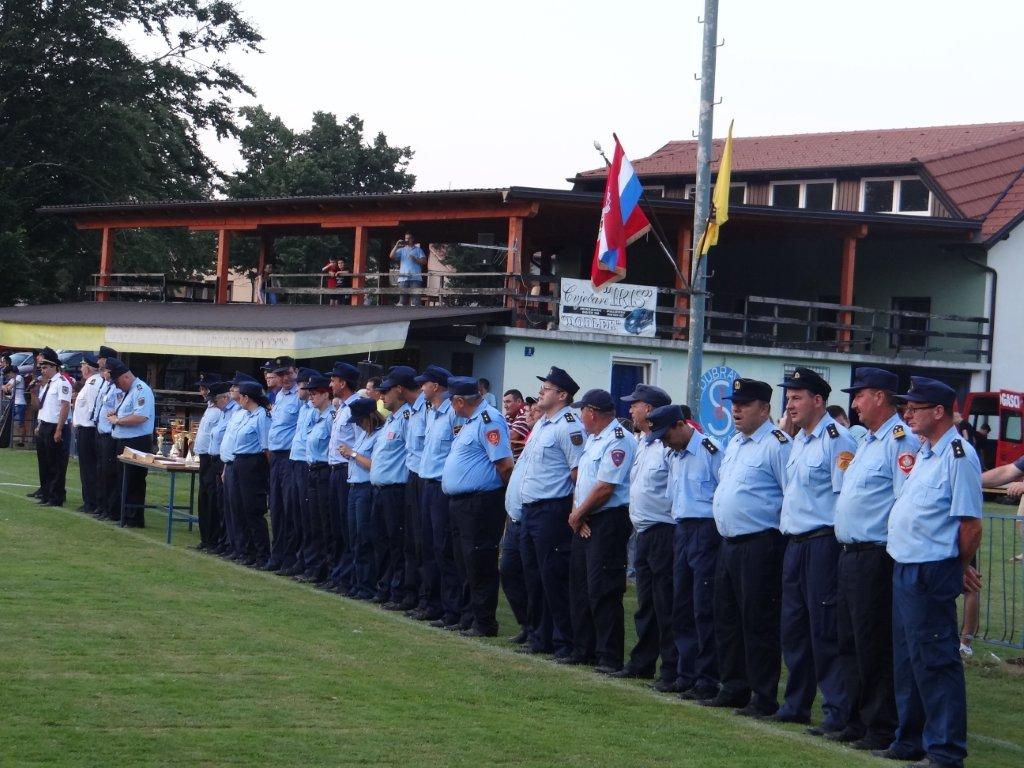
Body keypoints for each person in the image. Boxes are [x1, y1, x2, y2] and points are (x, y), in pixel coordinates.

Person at [881, 376, 982, 768]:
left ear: (938, 411)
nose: (907, 413)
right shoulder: (926, 451)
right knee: (908, 659)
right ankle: (911, 740)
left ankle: (944, 750)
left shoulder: (959, 454)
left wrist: (955, 568)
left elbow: (970, 524)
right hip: (906, 566)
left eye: (915, 407)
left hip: (931, 568)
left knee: (935, 661)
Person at [833, 367, 920, 751]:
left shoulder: (900, 441)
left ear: (881, 397)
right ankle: (855, 719)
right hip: (850, 553)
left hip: (875, 555)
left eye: (860, 395)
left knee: (874, 643)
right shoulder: (866, 441)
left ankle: (880, 725)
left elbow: (904, 501)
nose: (854, 403)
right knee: (848, 640)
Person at [775, 368, 857, 733]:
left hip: (823, 542)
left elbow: (843, 498)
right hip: (795, 543)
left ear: (818, 400)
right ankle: (796, 703)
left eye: (797, 398)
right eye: (788, 398)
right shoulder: (799, 440)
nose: (790, 405)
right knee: (794, 629)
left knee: (824, 630)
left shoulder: (836, 439)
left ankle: (837, 712)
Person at [704, 378, 790, 717]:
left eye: (744, 404)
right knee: (726, 618)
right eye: (734, 403)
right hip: (729, 543)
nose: (735, 409)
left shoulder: (777, 444)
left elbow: (790, 495)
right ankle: (734, 685)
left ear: (765, 409)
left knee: (758, 621)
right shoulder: (736, 443)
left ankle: (763, 694)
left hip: (760, 543)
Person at [506, 366, 585, 659]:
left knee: (553, 577)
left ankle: (564, 641)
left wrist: (577, 511)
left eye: (548, 388)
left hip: (552, 509)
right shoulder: (542, 424)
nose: (541, 391)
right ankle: (540, 636)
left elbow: (578, 474)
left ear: (562, 395)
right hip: (530, 510)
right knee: (533, 576)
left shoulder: (568, 426)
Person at [565, 389, 636, 671]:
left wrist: (577, 515)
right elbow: (583, 483)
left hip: (608, 520)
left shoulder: (619, 441)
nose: (581, 415)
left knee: (603, 589)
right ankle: (584, 648)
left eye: (583, 410)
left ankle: (609, 655)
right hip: (585, 518)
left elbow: (606, 487)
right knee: (580, 586)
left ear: (591, 412)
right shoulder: (594, 440)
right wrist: (577, 515)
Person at [656, 404, 724, 702]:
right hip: (682, 529)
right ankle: (686, 674)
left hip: (706, 530)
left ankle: (707, 678)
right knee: (681, 604)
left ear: (682, 425)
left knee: (704, 606)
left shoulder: (711, 451)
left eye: (667, 433)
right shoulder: (674, 455)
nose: (663, 440)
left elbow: (724, 492)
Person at [612, 383, 678, 689]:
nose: (630, 409)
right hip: (644, 533)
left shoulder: (667, 445)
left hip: (665, 531)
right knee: (646, 603)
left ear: (649, 409)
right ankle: (643, 662)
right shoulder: (644, 443)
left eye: (635, 404)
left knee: (665, 604)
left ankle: (671, 669)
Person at [441, 376, 515, 637]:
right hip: (462, 503)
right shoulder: (470, 422)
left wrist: (507, 498)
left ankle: (484, 622)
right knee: (463, 561)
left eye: (451, 400)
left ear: (460, 401)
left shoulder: (489, 420)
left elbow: (505, 465)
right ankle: (468, 615)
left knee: (479, 561)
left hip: (480, 503)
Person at [414, 365, 464, 625]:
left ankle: (451, 609)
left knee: (444, 549)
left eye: (425, 384)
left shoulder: (454, 414)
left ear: (436, 386)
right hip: (426, 484)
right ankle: (432, 603)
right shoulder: (431, 413)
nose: (421, 388)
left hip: (442, 486)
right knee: (428, 546)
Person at [370, 366, 418, 606]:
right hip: (380, 489)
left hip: (396, 490)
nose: (381, 396)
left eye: (385, 392)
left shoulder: (407, 418)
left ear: (399, 391)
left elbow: (411, 454)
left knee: (396, 544)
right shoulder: (391, 420)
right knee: (381, 542)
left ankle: (397, 589)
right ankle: (385, 586)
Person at [338, 397, 385, 599]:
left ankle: (367, 585)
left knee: (364, 537)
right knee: (354, 537)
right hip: (354, 487)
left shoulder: (379, 436)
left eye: (359, 420)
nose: (357, 424)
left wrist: (353, 454)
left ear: (368, 418)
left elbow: (374, 464)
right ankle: (358, 582)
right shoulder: (365, 435)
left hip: (366, 488)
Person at [105, 357, 156, 527]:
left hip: (137, 442)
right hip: (123, 440)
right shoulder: (128, 391)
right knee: (122, 479)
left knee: (134, 480)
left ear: (126, 377)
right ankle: (123, 514)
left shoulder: (142, 390)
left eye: (118, 382)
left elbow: (140, 416)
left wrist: (118, 421)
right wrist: (116, 415)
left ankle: (134, 518)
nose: (117, 386)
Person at [326, 362, 363, 592]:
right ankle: (339, 573)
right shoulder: (343, 407)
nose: (330, 384)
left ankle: (347, 577)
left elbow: (361, 440)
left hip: (346, 470)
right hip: (334, 470)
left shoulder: (355, 408)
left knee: (347, 528)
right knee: (337, 526)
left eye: (333, 380)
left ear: (343, 383)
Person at [264, 356, 300, 572]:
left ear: (295, 371)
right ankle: (276, 555)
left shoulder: (300, 396)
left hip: (288, 456)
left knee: (288, 508)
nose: (284, 378)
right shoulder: (281, 396)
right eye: (280, 374)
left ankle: (288, 557)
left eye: (286, 373)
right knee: (276, 507)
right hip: (276, 457)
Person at [231, 380, 272, 566]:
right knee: (240, 507)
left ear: (247, 397)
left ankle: (262, 554)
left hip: (253, 463)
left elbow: (266, 447)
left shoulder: (261, 416)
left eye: (241, 396)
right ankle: (246, 551)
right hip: (240, 460)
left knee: (252, 509)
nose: (239, 399)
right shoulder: (247, 415)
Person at [286, 368, 321, 577]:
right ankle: (300, 558)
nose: (299, 388)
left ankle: (310, 562)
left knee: (308, 517)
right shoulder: (305, 408)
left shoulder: (317, 410)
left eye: (302, 385)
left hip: (306, 463)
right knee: (296, 514)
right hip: (295, 461)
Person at [219, 372, 258, 559]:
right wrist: (226, 466)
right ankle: (234, 545)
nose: (232, 389)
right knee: (230, 509)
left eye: (236, 387)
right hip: (230, 464)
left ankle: (244, 549)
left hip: (242, 465)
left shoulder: (250, 413)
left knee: (240, 509)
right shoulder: (236, 411)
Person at [301, 374, 336, 582]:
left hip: (324, 471)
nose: (311, 397)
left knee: (324, 522)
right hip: (312, 470)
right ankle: (315, 567)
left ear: (325, 394)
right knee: (312, 521)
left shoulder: (332, 417)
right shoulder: (316, 417)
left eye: (315, 394)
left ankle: (325, 570)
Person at [33, 347, 72, 507]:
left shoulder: (62, 382)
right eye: (42, 367)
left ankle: (55, 497)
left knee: (56, 463)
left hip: (55, 426)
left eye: (46, 367)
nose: (43, 370)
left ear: (55, 367)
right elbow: (39, 407)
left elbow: (64, 406)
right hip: (44, 425)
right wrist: (34, 392)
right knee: (44, 462)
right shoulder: (46, 384)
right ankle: (46, 493)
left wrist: (59, 429)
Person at [192, 374, 224, 551]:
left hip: (213, 459)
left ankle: (212, 539)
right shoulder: (210, 408)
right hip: (204, 458)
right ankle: (205, 538)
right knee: (203, 497)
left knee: (211, 498)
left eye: (204, 388)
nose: (201, 392)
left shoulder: (219, 410)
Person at [92, 346, 121, 521]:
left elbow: (116, 408)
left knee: (109, 472)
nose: (98, 363)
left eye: (101, 360)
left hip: (110, 434)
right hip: (100, 431)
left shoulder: (117, 386)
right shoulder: (105, 383)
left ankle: (110, 509)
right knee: (100, 471)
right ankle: (102, 505)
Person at [71, 354, 103, 514]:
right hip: (86, 429)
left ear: (88, 368)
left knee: (88, 468)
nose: (81, 368)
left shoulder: (92, 384)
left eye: (82, 365)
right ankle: (91, 500)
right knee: (89, 467)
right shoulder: (93, 382)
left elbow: (92, 410)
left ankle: (90, 502)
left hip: (88, 430)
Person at [389, 232, 427, 306]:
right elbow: (391, 256)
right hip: (403, 278)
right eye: (406, 238)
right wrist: (397, 245)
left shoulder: (418, 250)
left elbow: (424, 261)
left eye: (409, 238)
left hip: (415, 278)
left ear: (412, 239)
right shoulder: (402, 250)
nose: (407, 240)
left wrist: (415, 259)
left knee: (416, 301)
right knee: (402, 301)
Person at [503, 389, 530, 460]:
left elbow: (512, 436)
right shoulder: (508, 415)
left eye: (508, 402)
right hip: (510, 460)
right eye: (504, 402)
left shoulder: (525, 414)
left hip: (519, 463)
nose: (505, 406)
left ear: (519, 402)